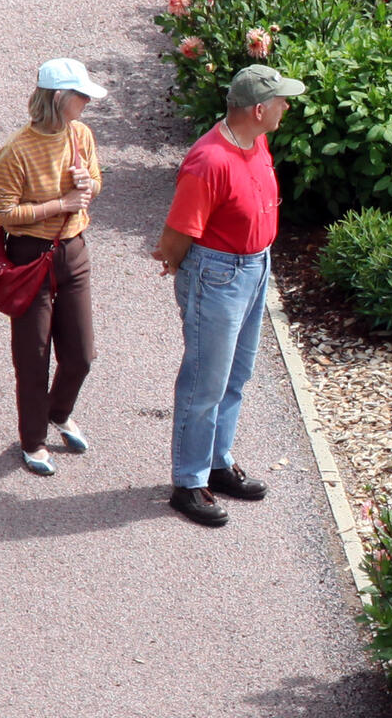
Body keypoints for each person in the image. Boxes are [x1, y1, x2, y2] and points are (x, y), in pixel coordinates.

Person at [153, 64, 305, 526]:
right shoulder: (208, 161)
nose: (287, 106)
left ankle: (217, 464)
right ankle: (189, 481)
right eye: (281, 99)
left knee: (236, 375)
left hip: (256, 266)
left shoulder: (257, 139)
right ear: (258, 109)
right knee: (206, 382)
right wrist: (183, 270)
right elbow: (177, 234)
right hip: (217, 276)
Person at [0, 59, 106, 476]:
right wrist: (61, 204)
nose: (88, 101)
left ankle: (58, 411)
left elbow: (95, 180)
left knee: (81, 355)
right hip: (29, 257)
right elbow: (2, 212)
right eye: (81, 94)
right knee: (33, 356)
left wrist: (88, 185)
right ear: (59, 98)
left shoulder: (81, 135)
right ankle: (33, 440)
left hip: (73, 252)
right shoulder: (17, 150)